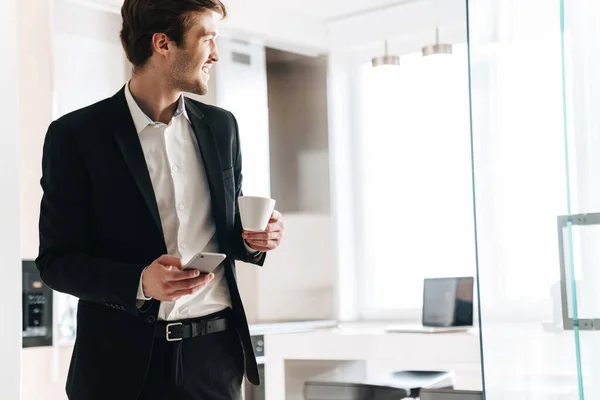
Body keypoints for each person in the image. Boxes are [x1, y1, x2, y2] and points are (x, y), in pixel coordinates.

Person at [35, 1, 284, 399]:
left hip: (215, 360)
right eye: (207, 39)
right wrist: (141, 282)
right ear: (162, 43)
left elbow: (229, 230)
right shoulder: (76, 136)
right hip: (120, 368)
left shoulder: (223, 127)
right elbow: (56, 263)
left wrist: (258, 239)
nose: (215, 54)